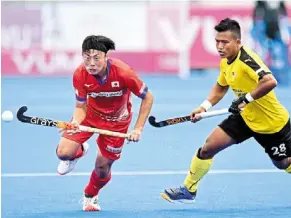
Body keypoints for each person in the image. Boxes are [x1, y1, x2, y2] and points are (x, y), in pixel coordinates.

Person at [161, 18, 291, 203]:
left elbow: (270, 81)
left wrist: (245, 99)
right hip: (245, 117)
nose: (220, 46)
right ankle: (189, 189)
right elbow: (221, 86)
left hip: (271, 124)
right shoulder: (225, 61)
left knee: (283, 163)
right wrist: (204, 107)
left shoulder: (247, 59)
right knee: (208, 148)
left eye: (225, 42)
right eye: (217, 42)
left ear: (238, 42)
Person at [56, 35, 154, 211]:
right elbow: (80, 106)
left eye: (96, 58)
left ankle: (90, 196)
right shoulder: (80, 74)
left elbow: (148, 97)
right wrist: (77, 121)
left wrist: (138, 128)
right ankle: (80, 151)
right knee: (63, 153)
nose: (91, 63)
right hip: (89, 116)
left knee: (102, 168)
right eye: (87, 57)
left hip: (117, 122)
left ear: (106, 57)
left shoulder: (124, 73)